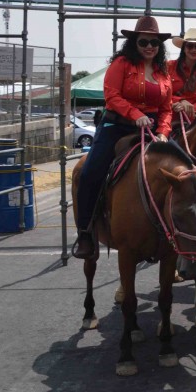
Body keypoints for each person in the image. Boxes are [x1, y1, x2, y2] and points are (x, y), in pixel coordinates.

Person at [72, 16, 173, 259]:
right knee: (90, 173)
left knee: (183, 171)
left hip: (150, 132)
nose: (149, 46)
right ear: (134, 43)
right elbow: (112, 97)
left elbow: (167, 109)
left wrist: (163, 132)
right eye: (144, 41)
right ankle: (85, 233)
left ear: (160, 46)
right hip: (116, 127)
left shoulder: (163, 72)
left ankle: (177, 231)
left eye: (154, 42)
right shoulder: (121, 64)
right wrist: (135, 114)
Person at [168, 28, 196, 120]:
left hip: (191, 122)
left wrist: (189, 108)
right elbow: (161, 94)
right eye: (190, 46)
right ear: (184, 48)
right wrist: (180, 101)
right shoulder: (169, 66)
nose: (194, 49)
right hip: (168, 118)